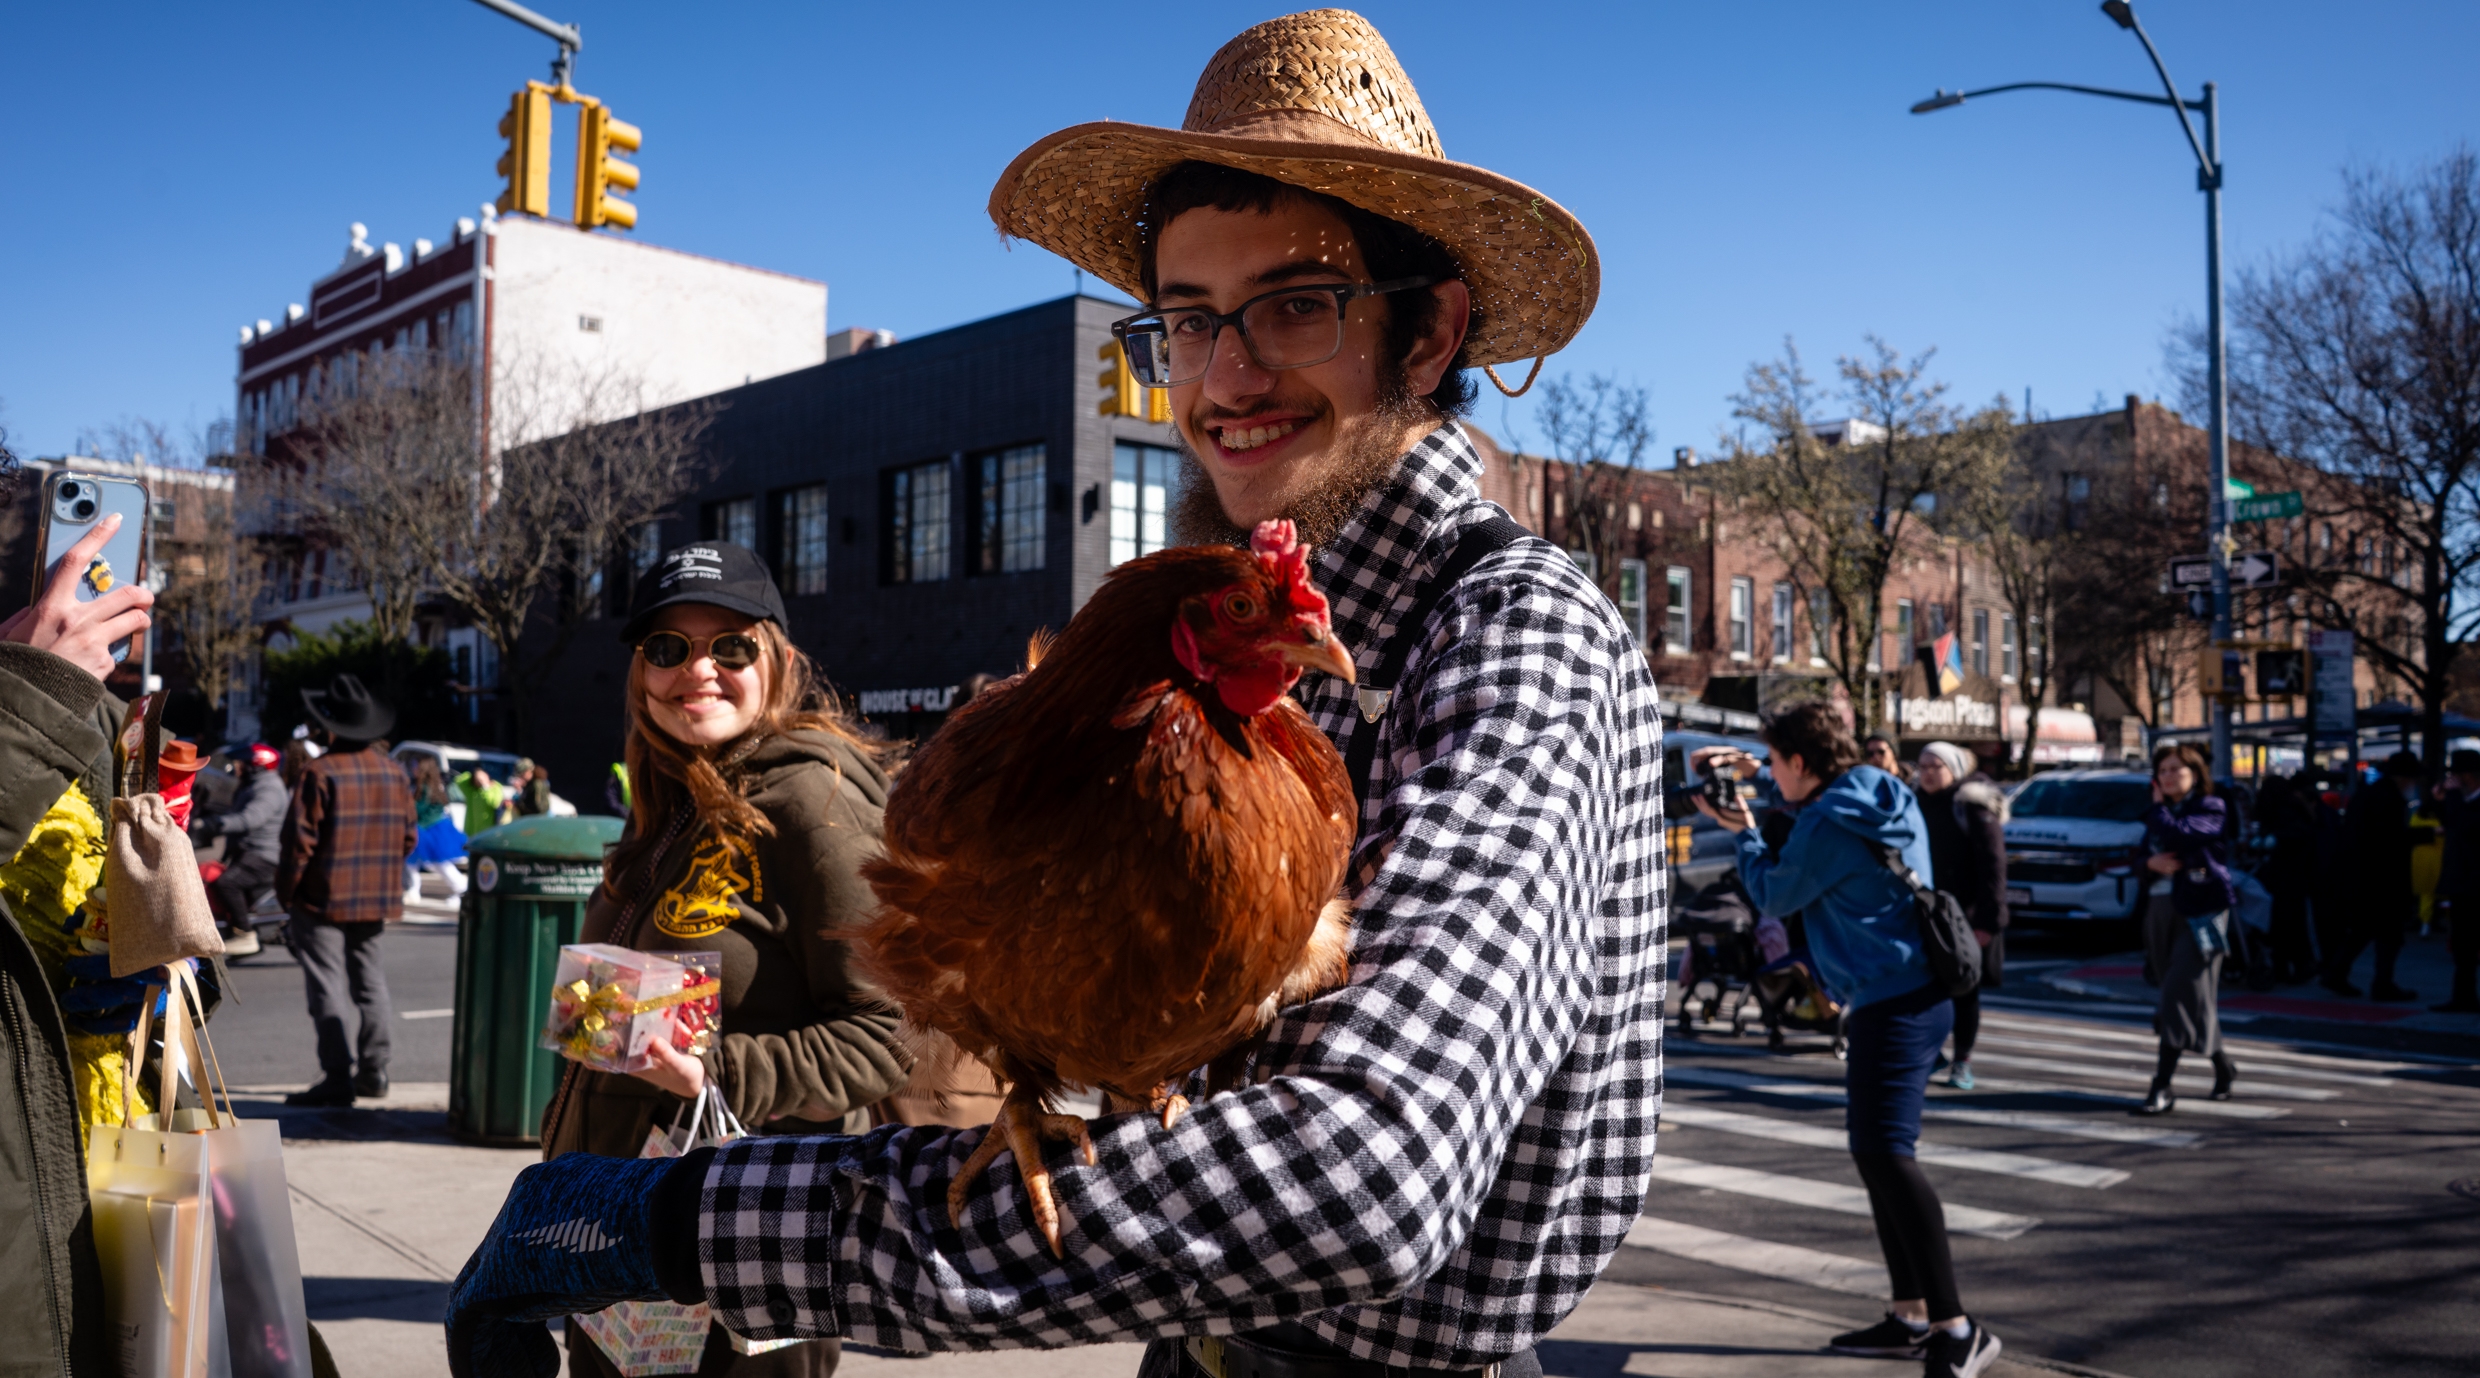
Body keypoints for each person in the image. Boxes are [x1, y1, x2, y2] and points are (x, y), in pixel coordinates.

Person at [447, 15, 1661, 1378]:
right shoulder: (1231, 644)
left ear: (1430, 332)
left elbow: (1367, 1170)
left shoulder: (1510, 631)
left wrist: (689, 1221)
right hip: (1200, 1336)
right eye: (1190, 321)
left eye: (1298, 304)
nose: (1228, 376)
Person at [541, 541, 911, 1378]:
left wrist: (719, 1071)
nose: (697, 670)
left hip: (746, 1236)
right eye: (668, 649)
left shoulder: (813, 801)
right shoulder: (672, 799)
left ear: (776, 661)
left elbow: (891, 1034)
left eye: (730, 647)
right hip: (627, 1230)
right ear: (640, 673)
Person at [1695, 704, 2000, 1377]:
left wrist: (1744, 831)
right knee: (1876, 1154)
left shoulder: (1827, 822)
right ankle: (1910, 1314)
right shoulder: (1877, 788)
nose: (1769, 776)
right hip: (1912, 992)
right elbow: (1806, 795)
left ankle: (1957, 1325)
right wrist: (1756, 772)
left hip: (1896, 1001)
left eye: (1775, 764)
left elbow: (1774, 892)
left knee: (1888, 1155)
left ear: (1801, 762)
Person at [0, 502, 156, 1374]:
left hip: (82, 1183)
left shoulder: (35, 678)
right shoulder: (25, 689)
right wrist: (27, 697)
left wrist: (150, 960)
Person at [276, 673, 417, 1107]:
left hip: (322, 898)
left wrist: (287, 893)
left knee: (328, 987)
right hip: (373, 899)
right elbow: (409, 838)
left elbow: (298, 845)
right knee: (371, 984)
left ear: (330, 726)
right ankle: (374, 1070)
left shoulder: (319, 772)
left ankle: (337, 1076)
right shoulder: (394, 772)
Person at [2135, 742, 2239, 1115]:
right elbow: (2137, 855)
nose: (2168, 776)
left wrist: (2159, 807)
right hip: (2160, 909)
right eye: (2162, 770)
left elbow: (2182, 836)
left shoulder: (2211, 806)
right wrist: (2150, 862)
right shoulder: (2158, 813)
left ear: (2195, 774)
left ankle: (2161, 1085)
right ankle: (2224, 1066)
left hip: (2201, 911)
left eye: (2176, 769)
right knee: (2187, 997)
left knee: (2176, 996)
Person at [1913, 742, 2006, 1090]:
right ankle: (1932, 1053)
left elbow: (1993, 867)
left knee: (1965, 991)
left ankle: (1961, 1061)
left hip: (1964, 917)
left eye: (1935, 766)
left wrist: (1988, 922)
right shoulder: (1915, 804)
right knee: (1924, 987)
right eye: (1922, 766)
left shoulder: (1972, 807)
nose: (1927, 773)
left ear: (1953, 769)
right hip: (1925, 912)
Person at [2325, 752, 2423, 1002]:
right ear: (2404, 778)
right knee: (2387, 934)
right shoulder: (2389, 800)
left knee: (2363, 930)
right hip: (2382, 879)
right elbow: (2389, 842)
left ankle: (2338, 973)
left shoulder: (2369, 794)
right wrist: (2422, 836)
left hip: (2362, 877)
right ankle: (2381, 982)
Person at [195, 740, 288, 944]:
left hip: (263, 855)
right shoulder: (253, 785)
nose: (237, 768)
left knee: (227, 883)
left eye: (242, 764)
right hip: (248, 851)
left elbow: (250, 819)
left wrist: (216, 824)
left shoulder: (269, 789)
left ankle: (244, 933)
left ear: (258, 765)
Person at [2251, 773, 2321, 984]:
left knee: (2282, 924)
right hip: (2292, 877)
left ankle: (2288, 966)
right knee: (2292, 924)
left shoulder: (2280, 813)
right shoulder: (2293, 810)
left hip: (2282, 877)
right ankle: (2297, 965)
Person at [2429, 750, 2480, 1013]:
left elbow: (2463, 826)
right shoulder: (2461, 801)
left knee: (2468, 943)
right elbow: (2451, 824)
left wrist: (2449, 797)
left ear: (2466, 777)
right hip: (2463, 884)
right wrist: (2442, 801)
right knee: (2463, 946)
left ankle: (2465, 996)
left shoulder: (2467, 804)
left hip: (2473, 883)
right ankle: (2464, 996)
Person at [404, 755, 469, 903]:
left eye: (416, 766)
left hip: (430, 831)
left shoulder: (426, 788)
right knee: (413, 862)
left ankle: (462, 889)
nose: (413, 769)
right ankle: (413, 890)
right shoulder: (432, 785)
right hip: (430, 829)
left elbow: (417, 810)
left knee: (438, 863)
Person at [456, 765, 506, 836]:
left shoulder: (495, 787)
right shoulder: (472, 791)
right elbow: (459, 781)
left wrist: (486, 787)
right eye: (477, 779)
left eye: (483, 776)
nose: (480, 780)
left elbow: (494, 803)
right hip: (471, 832)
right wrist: (473, 774)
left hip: (487, 832)